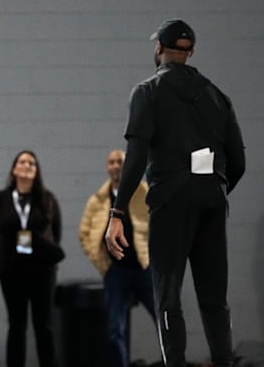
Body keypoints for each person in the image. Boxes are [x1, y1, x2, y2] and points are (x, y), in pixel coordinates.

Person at [105, 19, 246, 367]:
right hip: (213, 200)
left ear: (159, 49)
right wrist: (213, 189)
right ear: (190, 52)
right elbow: (239, 161)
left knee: (167, 296)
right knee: (215, 298)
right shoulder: (218, 95)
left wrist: (118, 213)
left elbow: (136, 157)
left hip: (170, 202)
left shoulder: (147, 91)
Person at [78, 149, 155, 367]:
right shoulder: (98, 200)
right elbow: (84, 234)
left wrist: (154, 258)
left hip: (144, 268)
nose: (115, 166)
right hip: (116, 273)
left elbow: (162, 226)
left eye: (120, 161)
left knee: (165, 323)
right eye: (111, 162)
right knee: (114, 330)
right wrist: (103, 263)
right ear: (107, 167)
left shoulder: (145, 193)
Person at [0, 150, 64, 367]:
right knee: (16, 325)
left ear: (37, 170)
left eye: (32, 163)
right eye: (22, 162)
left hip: (42, 270)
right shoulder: (0, 198)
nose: (27, 165)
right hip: (11, 270)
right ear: (14, 169)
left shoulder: (47, 199)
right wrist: (11, 253)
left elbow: (55, 235)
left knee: (44, 325)